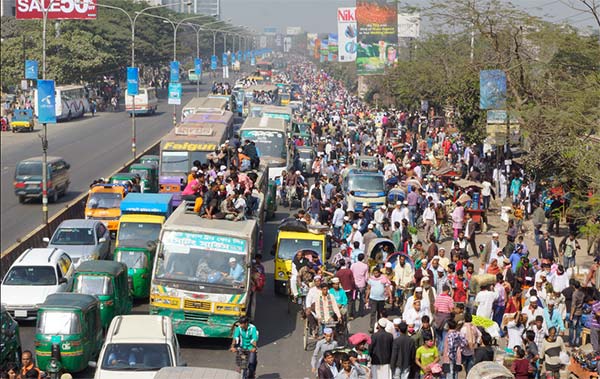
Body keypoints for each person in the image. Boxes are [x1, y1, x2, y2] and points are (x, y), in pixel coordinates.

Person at [366, 267, 391, 332]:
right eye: (374, 273)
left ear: (379, 273)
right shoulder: (371, 279)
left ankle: (380, 326)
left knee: (380, 313)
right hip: (373, 299)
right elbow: (368, 288)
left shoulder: (383, 278)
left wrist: (390, 297)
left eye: (377, 273)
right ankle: (372, 327)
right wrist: (366, 298)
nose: (375, 275)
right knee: (373, 313)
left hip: (381, 299)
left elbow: (388, 288)